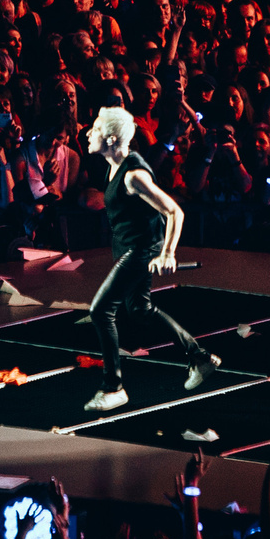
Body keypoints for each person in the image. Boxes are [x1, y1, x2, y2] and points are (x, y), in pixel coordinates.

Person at [81, 106, 217, 414]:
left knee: (101, 310)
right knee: (140, 309)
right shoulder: (114, 166)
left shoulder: (133, 175)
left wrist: (167, 253)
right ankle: (200, 357)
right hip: (129, 248)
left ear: (112, 139)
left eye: (96, 128)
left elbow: (173, 211)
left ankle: (113, 388)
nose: (89, 133)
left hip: (139, 251)